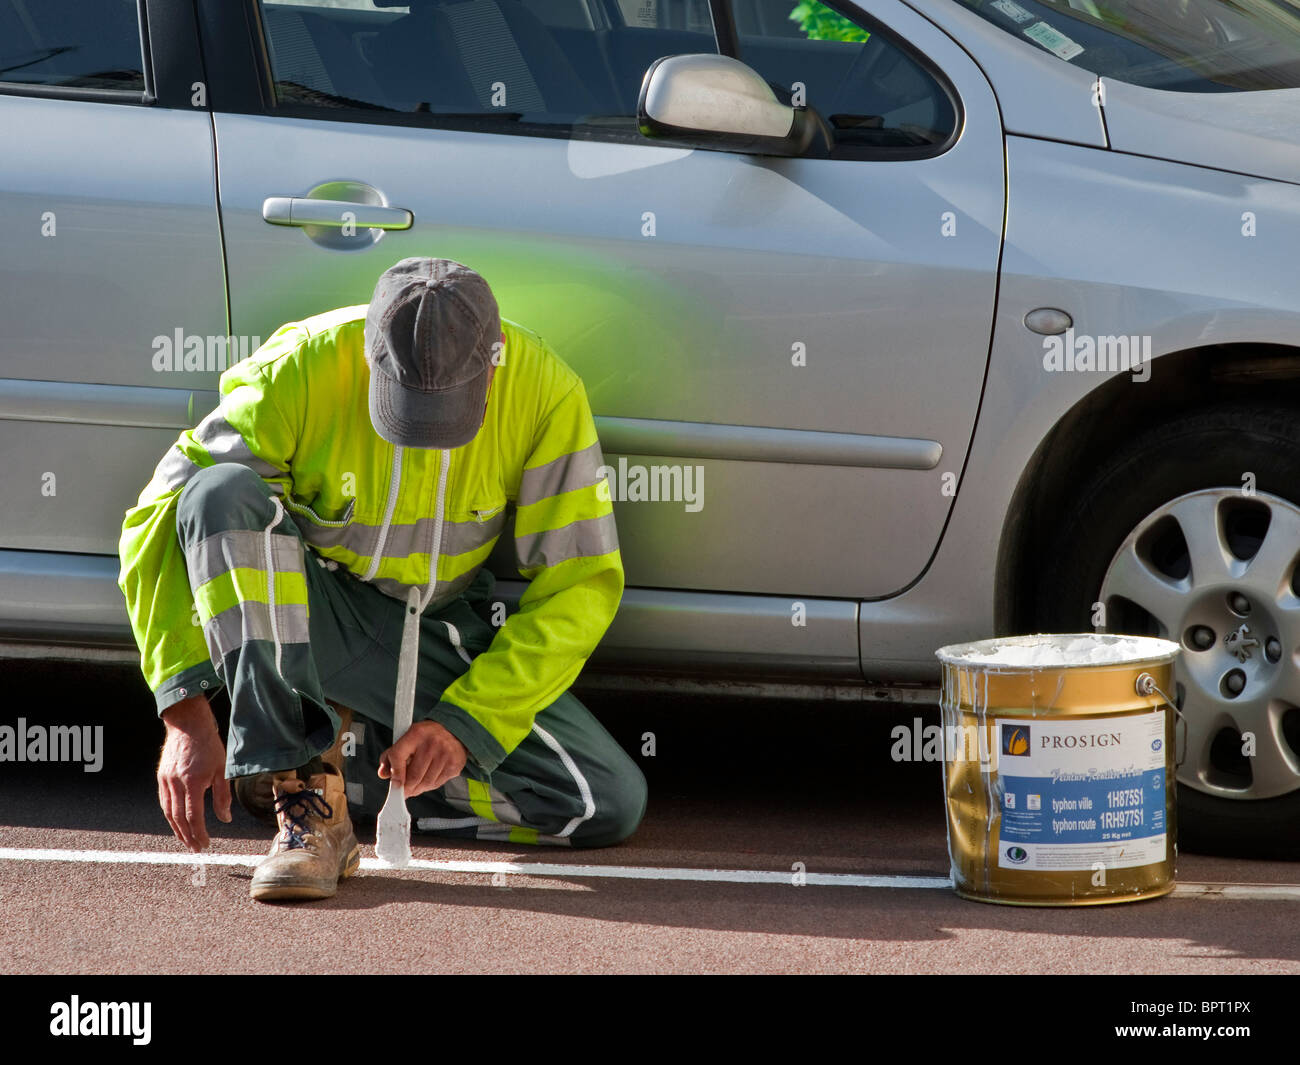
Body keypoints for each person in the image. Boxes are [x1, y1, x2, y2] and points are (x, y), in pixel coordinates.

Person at [118, 257, 647, 902]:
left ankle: (339, 769)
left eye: (447, 413)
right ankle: (304, 792)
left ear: (494, 361)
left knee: (604, 804)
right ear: (368, 353)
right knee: (217, 495)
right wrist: (183, 709)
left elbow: (580, 581)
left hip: (438, 629)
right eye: (406, 409)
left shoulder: (545, 390)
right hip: (318, 621)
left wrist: (465, 724)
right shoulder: (300, 367)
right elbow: (159, 515)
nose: (425, 436)